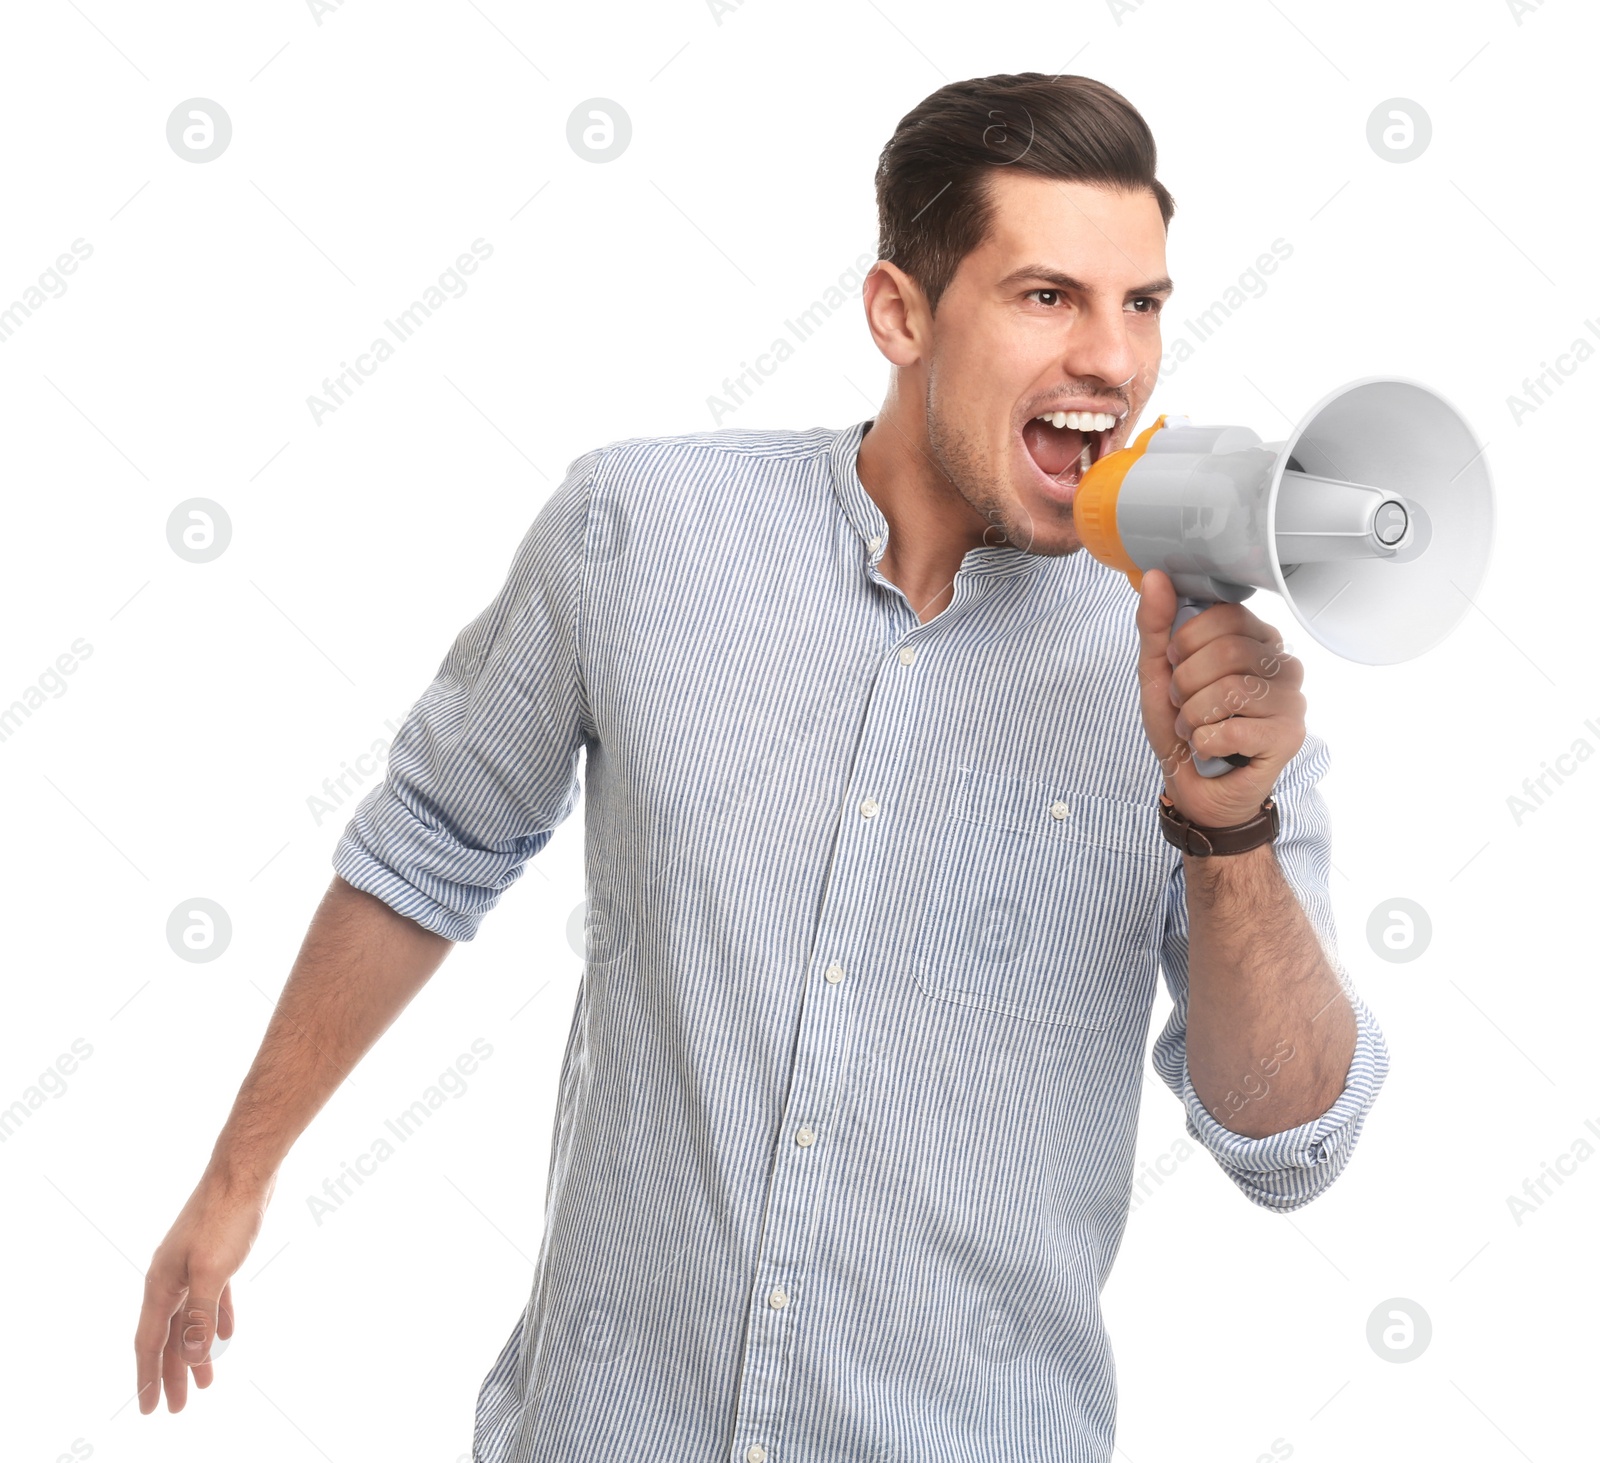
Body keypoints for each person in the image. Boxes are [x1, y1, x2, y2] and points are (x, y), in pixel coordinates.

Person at [135, 71, 1387, 1462]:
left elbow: (1290, 1144)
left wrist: (1230, 831)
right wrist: (236, 1175)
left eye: (1141, 304)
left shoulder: (1208, 680)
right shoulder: (642, 529)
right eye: (1048, 297)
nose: (1114, 359)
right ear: (899, 313)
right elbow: (430, 842)